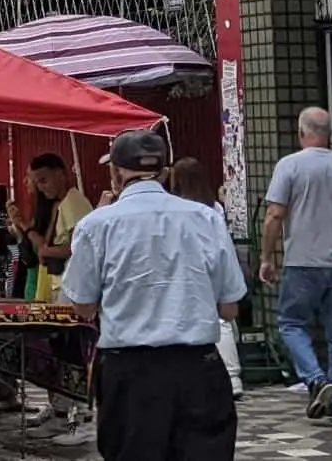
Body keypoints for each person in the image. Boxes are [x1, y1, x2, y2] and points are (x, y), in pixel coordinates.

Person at [63, 130, 244, 461]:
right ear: (165, 172)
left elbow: (83, 306)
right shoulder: (205, 218)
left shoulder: (96, 225)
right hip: (198, 368)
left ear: (116, 173)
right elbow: (229, 307)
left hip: (130, 371)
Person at [258, 106, 332, 421]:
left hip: (302, 263)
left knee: (291, 323)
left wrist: (267, 257)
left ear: (301, 132)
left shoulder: (289, 166)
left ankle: (315, 378)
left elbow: (274, 215)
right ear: (329, 134)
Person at [14, 153, 97, 444]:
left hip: (71, 289)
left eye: (45, 180)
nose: (42, 187)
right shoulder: (58, 204)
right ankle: (62, 413)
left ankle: (80, 421)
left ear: (62, 173)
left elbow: (76, 248)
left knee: (73, 352)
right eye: (37, 182)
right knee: (58, 351)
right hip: (55, 287)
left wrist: (47, 251)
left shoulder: (75, 202)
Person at [166, 156, 246, 400]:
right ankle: (233, 376)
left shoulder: (175, 207)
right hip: (211, 265)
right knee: (220, 320)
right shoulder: (214, 207)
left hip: (185, 267)